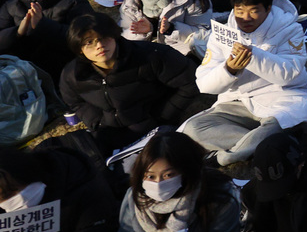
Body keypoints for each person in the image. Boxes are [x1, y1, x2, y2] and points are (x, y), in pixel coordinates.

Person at [183, 0, 307, 165]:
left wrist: (253, 56)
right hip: (236, 102)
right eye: (240, 11)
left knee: (279, 121)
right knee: (194, 128)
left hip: (281, 99)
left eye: (253, 11)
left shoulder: (290, 30)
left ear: (268, 8)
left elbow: (288, 73)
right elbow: (204, 84)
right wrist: (229, 70)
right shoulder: (222, 34)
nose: (245, 18)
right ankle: (267, 144)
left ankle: (227, 156)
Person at [113, 131, 242, 232]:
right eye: (151, 176)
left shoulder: (216, 192)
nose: (158, 183)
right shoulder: (135, 197)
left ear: (187, 170)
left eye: (168, 175)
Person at [59, 13, 207, 152]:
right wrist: (97, 121)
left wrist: (164, 115)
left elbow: (190, 82)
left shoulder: (152, 56)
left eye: (104, 37)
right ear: (79, 49)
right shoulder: (73, 74)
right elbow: (74, 101)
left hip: (155, 127)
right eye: (89, 42)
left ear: (115, 36)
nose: (99, 46)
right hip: (110, 131)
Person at [0, 0, 95, 80]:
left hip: (64, 65)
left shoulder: (73, 2)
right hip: (22, 67)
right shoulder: (11, 6)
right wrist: (18, 32)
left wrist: (42, 25)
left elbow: (85, 35)